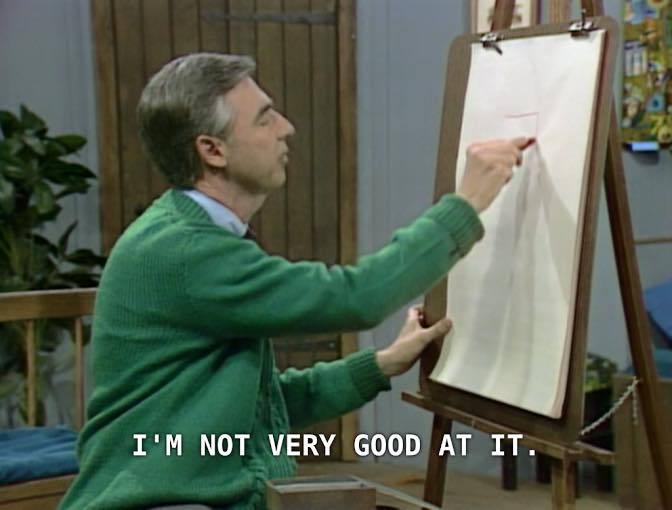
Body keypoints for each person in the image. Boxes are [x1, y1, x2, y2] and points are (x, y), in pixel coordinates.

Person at [59, 53, 531, 510]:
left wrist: (381, 365)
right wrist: (466, 204)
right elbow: (357, 297)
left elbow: (264, 405)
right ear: (212, 150)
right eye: (265, 119)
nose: (286, 128)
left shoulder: (192, 236)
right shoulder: (184, 250)